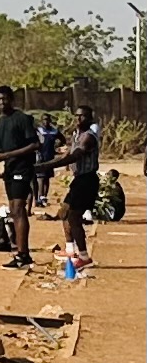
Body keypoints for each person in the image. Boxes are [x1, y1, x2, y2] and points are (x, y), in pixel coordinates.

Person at [0, 86, 40, 270]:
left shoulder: (22, 119)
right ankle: (20, 252)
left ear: (12, 99)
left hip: (22, 168)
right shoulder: (0, 123)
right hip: (9, 169)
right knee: (13, 210)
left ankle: (23, 255)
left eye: (5, 99)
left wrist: (6, 156)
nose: (2, 103)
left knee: (18, 209)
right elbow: (2, 148)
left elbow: (34, 145)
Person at [57, 106, 101, 268]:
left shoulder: (88, 137)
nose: (78, 119)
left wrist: (47, 166)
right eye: (76, 116)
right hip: (78, 180)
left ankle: (84, 256)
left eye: (82, 117)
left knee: (74, 217)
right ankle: (70, 249)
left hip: (86, 180)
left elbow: (76, 155)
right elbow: (69, 154)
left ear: (89, 118)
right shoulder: (77, 135)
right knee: (64, 212)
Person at [33, 110, 61, 210]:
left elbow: (62, 139)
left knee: (47, 178)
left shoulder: (54, 131)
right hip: (40, 157)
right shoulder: (38, 131)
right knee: (40, 178)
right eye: (44, 120)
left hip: (50, 157)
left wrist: (58, 146)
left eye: (47, 120)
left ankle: (44, 196)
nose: (46, 122)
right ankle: (39, 197)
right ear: (41, 121)